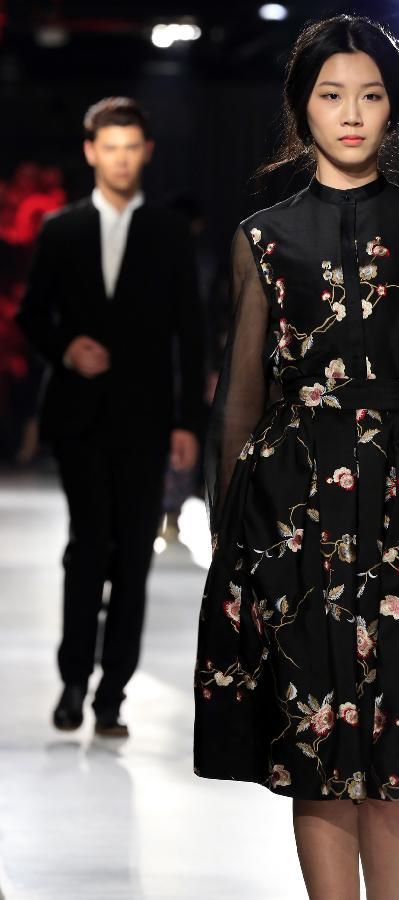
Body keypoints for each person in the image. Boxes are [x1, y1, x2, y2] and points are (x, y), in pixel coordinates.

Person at [193, 16, 399, 899]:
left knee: (396, 741)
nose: (350, 113)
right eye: (331, 94)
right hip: (290, 513)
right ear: (300, 107)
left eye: (370, 95)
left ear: (394, 107)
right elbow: (239, 396)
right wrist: (229, 540)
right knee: (315, 742)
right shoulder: (262, 236)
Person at [16, 97, 207, 738]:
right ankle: (74, 679)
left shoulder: (170, 233)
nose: (121, 159)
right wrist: (65, 347)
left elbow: (190, 333)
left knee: (132, 558)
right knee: (87, 547)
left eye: (131, 148)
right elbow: (31, 314)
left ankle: (112, 696)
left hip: (147, 418)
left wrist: (187, 423)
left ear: (146, 152)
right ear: (91, 151)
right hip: (79, 416)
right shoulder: (61, 229)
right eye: (110, 148)